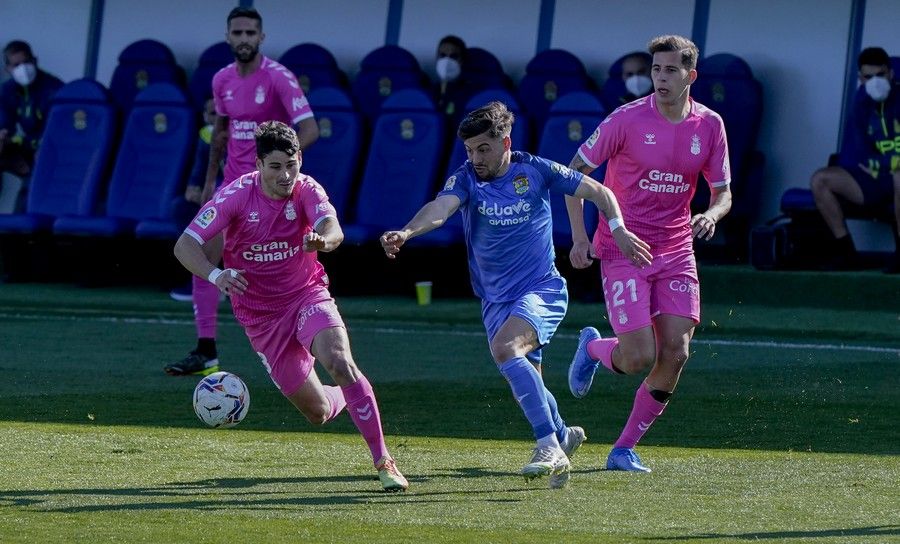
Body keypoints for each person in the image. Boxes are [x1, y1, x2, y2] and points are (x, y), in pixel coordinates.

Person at [379, 101, 651, 488]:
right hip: (495, 300)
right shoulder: (467, 180)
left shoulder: (536, 169)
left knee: (506, 349)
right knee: (528, 384)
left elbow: (601, 192)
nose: (475, 158)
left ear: (506, 142)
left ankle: (547, 446)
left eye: (483, 149)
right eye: (470, 150)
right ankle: (562, 435)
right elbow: (440, 209)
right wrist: (407, 232)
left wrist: (617, 229)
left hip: (542, 289)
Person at [174, 120, 408, 492]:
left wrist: (324, 241)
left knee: (340, 362)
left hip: (306, 296)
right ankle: (348, 395)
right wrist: (216, 276)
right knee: (317, 413)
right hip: (262, 320)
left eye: (292, 164)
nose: (286, 175)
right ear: (259, 165)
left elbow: (334, 228)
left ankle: (384, 460)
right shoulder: (235, 195)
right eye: (276, 167)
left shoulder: (306, 189)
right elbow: (184, 245)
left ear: (300, 159)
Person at [565, 35, 732, 472]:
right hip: (625, 247)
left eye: (671, 70)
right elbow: (574, 174)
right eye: (657, 69)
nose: (660, 77)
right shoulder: (626, 119)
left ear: (690, 76)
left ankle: (622, 449)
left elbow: (724, 192)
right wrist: (581, 238)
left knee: (675, 353)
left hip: (676, 248)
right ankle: (594, 349)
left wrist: (712, 214)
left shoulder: (710, 125)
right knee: (637, 357)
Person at [165, 6, 319, 375]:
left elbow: (311, 129)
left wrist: (279, 167)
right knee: (202, 256)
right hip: (232, 189)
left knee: (284, 266)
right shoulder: (221, 80)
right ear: (228, 37)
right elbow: (221, 134)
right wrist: (208, 184)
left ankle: (305, 340)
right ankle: (206, 350)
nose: (244, 39)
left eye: (251, 33)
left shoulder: (279, 77)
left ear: (261, 38)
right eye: (238, 33)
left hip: (270, 193)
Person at [809, 46, 900, 273]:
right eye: (869, 77)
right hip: (873, 177)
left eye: (880, 75)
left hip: (895, 176)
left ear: (891, 74)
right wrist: (879, 167)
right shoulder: (860, 104)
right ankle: (846, 252)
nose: (875, 82)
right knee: (820, 180)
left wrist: (888, 166)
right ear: (861, 79)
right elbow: (859, 150)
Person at [169, 98, 224, 302]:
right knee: (181, 207)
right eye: (211, 114)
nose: (216, 118)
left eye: (220, 114)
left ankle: (215, 282)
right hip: (212, 201)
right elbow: (198, 174)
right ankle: (203, 278)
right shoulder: (206, 136)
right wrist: (193, 190)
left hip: (238, 200)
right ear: (204, 116)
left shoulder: (242, 136)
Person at [0, 40, 64, 213]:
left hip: (51, 149)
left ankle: (22, 226)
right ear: (8, 69)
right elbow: (5, 123)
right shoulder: (7, 90)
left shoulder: (54, 88)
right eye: (16, 65)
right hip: (28, 146)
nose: (23, 69)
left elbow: (57, 129)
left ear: (35, 61)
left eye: (26, 62)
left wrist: (44, 146)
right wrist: (2, 134)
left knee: (32, 185)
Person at [433, 35, 475, 127]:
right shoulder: (428, 90)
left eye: (453, 56)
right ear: (437, 58)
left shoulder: (471, 93)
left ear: (463, 60)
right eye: (443, 56)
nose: (447, 61)